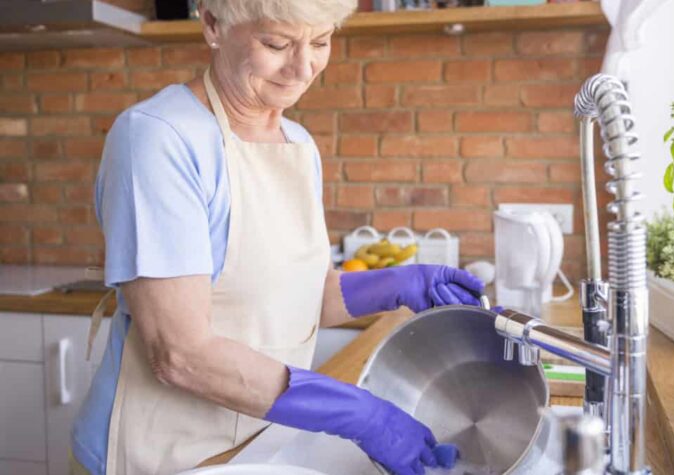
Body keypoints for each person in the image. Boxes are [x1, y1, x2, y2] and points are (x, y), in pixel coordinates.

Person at [69, 1, 483, 474]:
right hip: (161, 457)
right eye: (277, 44)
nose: (303, 68)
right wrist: (358, 414)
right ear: (212, 25)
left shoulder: (298, 144)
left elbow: (305, 301)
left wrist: (402, 284)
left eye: (321, 42)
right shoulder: (159, 139)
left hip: (260, 447)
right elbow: (179, 354)